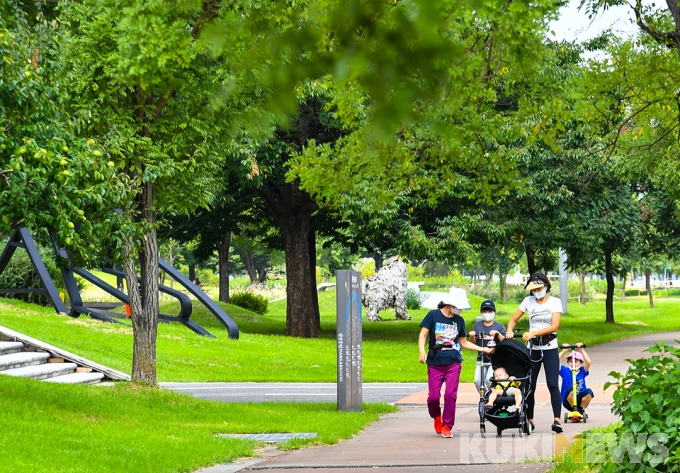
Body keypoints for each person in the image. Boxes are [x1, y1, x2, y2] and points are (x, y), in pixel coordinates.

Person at [418, 297, 494, 438]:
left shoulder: (459, 320)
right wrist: (422, 351)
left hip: (453, 363)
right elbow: (423, 334)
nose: (460, 310)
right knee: (433, 397)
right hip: (435, 364)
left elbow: (464, 342)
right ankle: (436, 416)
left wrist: (484, 350)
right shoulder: (433, 315)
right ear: (451, 303)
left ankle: (447, 425)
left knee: (450, 395)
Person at [507, 271, 564, 433]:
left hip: (550, 347)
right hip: (533, 349)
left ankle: (557, 420)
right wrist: (510, 329)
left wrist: (533, 333)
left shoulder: (554, 302)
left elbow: (554, 326)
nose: (536, 292)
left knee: (552, 384)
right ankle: (530, 420)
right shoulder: (528, 301)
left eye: (539, 289)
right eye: (533, 290)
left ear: (546, 286)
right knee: (529, 384)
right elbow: (513, 319)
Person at [469, 299, 507, 392]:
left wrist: (498, 334)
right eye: (485, 311)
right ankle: (485, 398)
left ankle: (493, 398)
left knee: (489, 380)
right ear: (481, 312)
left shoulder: (499, 326)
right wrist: (472, 336)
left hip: (494, 360)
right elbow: (473, 343)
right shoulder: (477, 325)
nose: (487, 313)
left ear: (494, 312)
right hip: (481, 358)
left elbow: (506, 341)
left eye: (490, 311)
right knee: (478, 381)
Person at [559, 344, 593, 415]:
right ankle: (575, 409)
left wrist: (581, 350)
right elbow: (554, 362)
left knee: (589, 392)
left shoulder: (582, 371)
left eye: (575, 361)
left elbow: (588, 362)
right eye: (571, 361)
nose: (573, 364)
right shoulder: (565, 370)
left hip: (580, 399)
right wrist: (563, 351)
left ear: (581, 363)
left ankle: (580, 409)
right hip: (568, 399)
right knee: (570, 389)